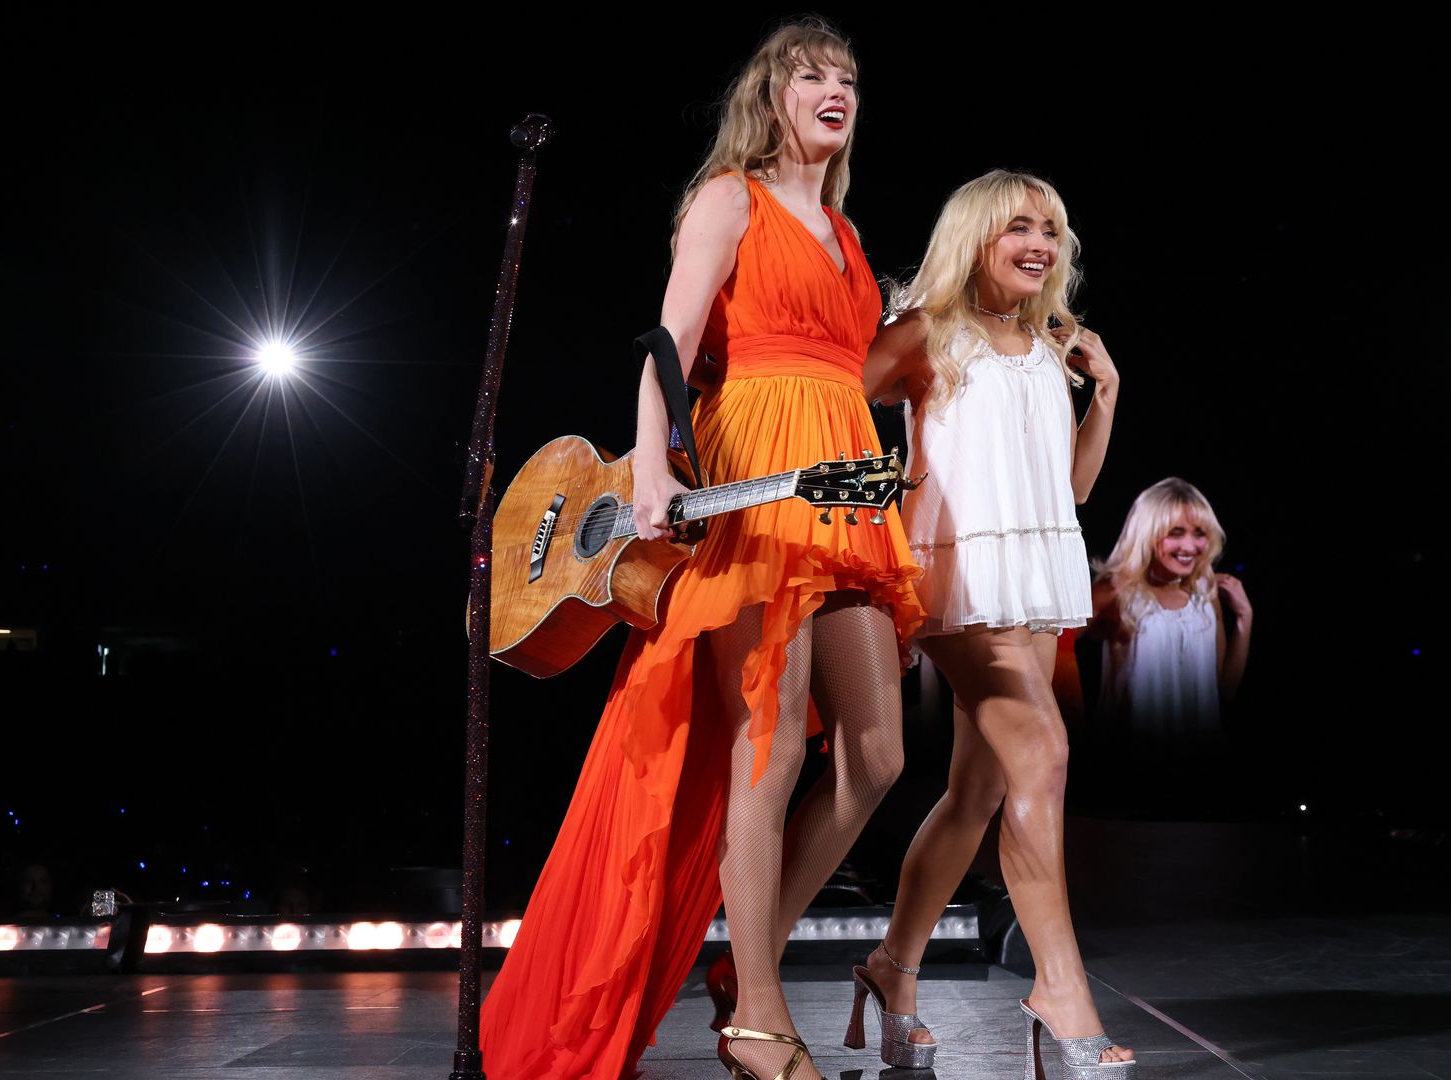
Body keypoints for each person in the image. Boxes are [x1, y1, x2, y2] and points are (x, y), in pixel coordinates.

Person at [480, 19, 924, 1080]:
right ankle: (761, 1018)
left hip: (842, 486)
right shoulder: (730, 198)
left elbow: (850, 369)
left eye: (850, 79)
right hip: (752, 483)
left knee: (877, 758)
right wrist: (652, 468)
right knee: (762, 756)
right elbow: (668, 347)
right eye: (814, 74)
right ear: (771, 94)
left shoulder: (852, 237)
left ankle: (746, 961)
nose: (837, 90)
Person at [859, 170, 1135, 1076]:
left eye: (1052, 230)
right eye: (1019, 225)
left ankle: (892, 970)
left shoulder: (1050, 346)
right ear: (975, 237)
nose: (1041, 244)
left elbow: (1077, 490)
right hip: (958, 582)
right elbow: (828, 407)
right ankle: (1060, 986)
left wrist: (1106, 395)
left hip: (1028, 586)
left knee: (978, 793)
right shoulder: (924, 334)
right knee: (1043, 755)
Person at [1090, 478, 1251, 767]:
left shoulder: (1205, 592)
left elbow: (1222, 690)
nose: (1189, 545)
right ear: (1147, 533)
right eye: (1176, 533)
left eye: (1199, 533)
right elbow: (1058, 643)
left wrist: (1244, 619)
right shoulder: (1116, 591)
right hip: (1128, 768)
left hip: (1201, 766)